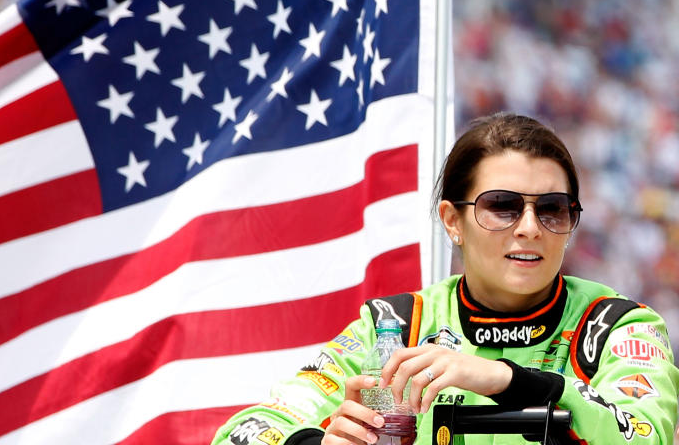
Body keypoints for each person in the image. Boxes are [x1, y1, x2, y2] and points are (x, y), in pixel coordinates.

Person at [210, 113, 679, 445]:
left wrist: (505, 380)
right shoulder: (393, 327)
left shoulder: (618, 326)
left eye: (553, 208)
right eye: (503, 205)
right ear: (452, 221)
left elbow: (647, 435)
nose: (530, 227)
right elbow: (241, 432)